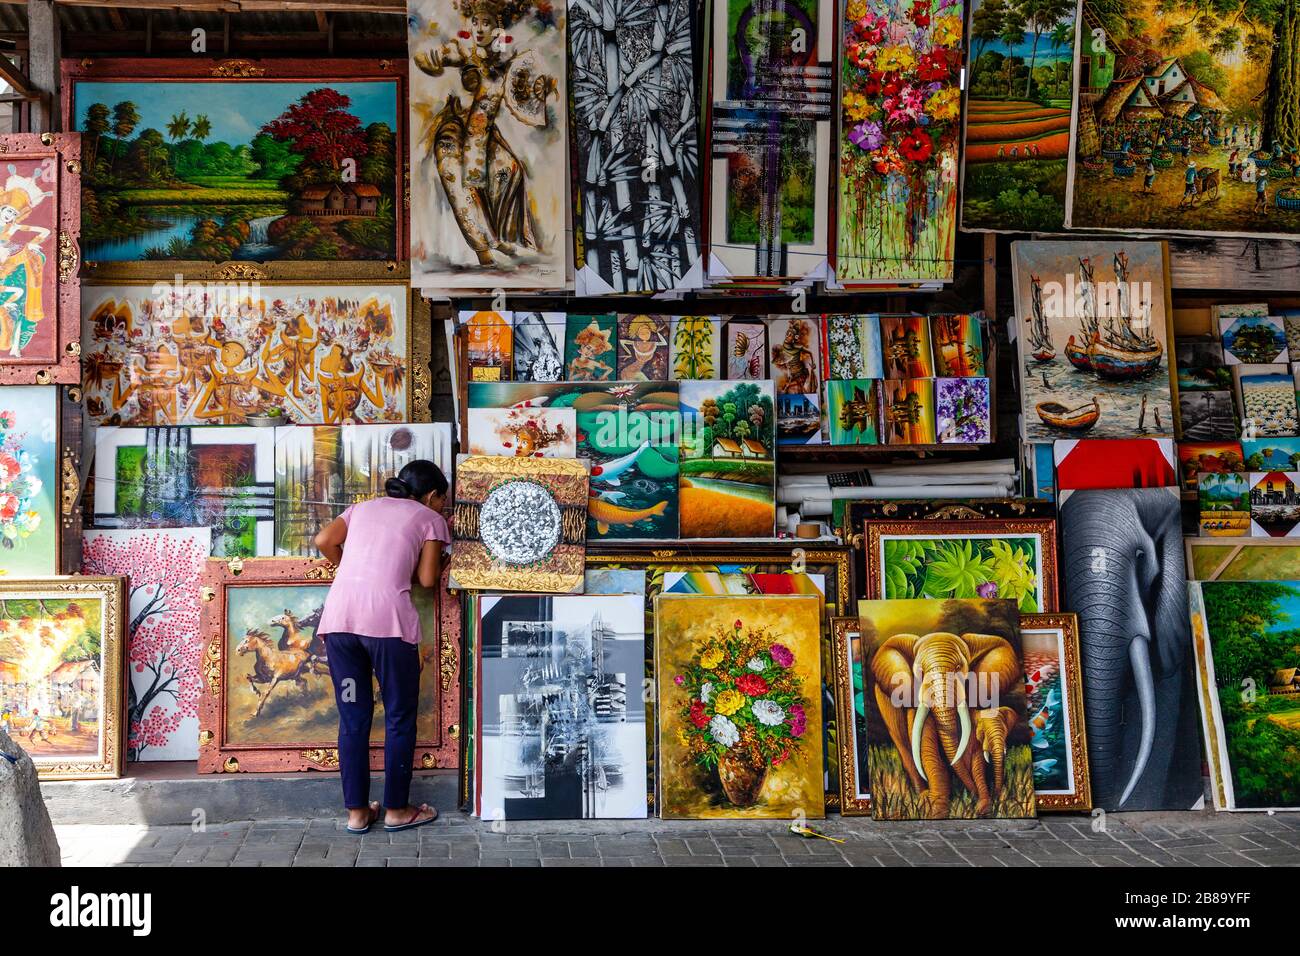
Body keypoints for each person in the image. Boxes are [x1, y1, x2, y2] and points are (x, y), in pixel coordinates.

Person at [314, 460, 451, 834]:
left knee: (353, 719)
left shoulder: (361, 508)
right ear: (433, 495)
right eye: (443, 500)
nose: (442, 508)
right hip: (388, 627)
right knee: (399, 717)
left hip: (340, 623)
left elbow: (323, 541)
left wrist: (350, 572)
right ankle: (396, 810)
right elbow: (426, 580)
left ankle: (357, 814)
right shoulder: (429, 518)